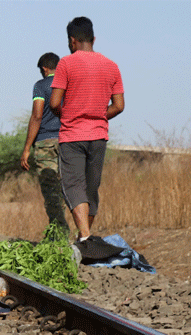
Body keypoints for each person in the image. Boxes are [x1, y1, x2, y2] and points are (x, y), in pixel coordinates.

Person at [49, 16, 124, 244]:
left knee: (74, 186)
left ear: (72, 41)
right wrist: (99, 115)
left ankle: (85, 236)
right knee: (91, 188)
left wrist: (68, 116)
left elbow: (54, 103)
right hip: (99, 136)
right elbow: (119, 106)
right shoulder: (111, 66)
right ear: (93, 38)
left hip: (73, 136)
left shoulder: (66, 64)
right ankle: (85, 239)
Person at [21, 52, 68, 231]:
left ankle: (59, 233)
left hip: (45, 142)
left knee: (51, 190)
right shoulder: (68, 84)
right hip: (67, 141)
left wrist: (26, 148)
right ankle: (76, 233)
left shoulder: (40, 86)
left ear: (44, 68)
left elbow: (37, 115)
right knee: (66, 187)